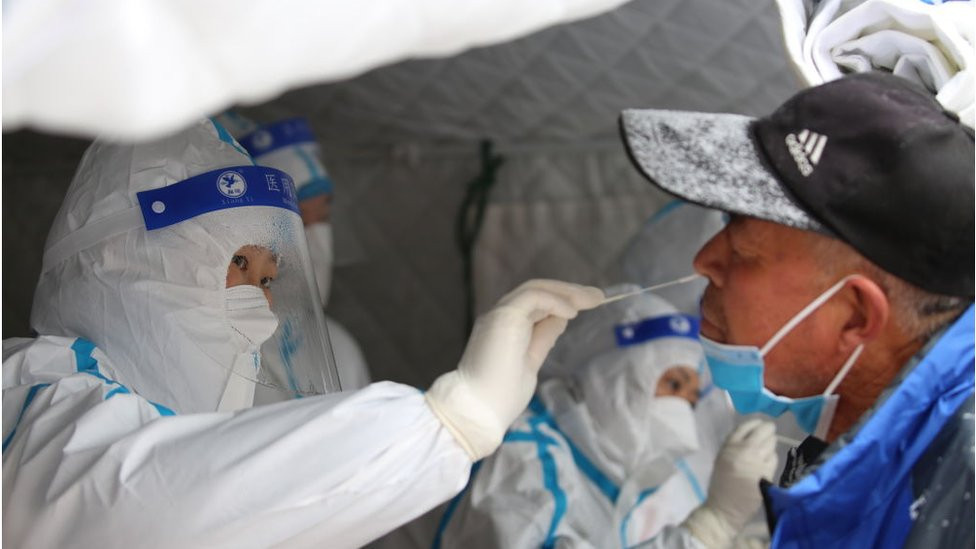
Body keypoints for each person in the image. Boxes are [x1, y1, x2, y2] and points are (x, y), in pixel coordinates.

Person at [2, 118, 605, 548]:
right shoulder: (35, 394)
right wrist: (445, 425)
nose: (259, 308)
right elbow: (141, 502)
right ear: (122, 259)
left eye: (267, 278)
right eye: (237, 264)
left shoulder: (173, 409)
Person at [617, 71, 974, 547]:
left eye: (743, 251)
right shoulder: (911, 462)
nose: (705, 261)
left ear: (856, 316)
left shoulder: (957, 493)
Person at [431, 288, 749, 548]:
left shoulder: (609, 491)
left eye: (691, 402)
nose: (681, 414)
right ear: (611, 370)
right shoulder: (526, 453)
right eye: (674, 384)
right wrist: (708, 532)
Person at [217, 112, 373, 391]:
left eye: (322, 217)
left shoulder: (341, 349)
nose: (315, 240)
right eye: (297, 216)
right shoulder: (210, 354)